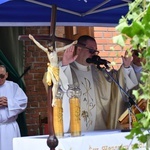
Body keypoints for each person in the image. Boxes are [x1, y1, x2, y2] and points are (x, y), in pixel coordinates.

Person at [59, 35, 139, 132]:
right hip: (74, 131)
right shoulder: (66, 69)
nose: (94, 55)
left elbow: (116, 85)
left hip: (97, 128)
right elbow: (57, 86)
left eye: (96, 51)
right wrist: (64, 64)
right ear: (79, 49)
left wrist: (126, 66)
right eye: (91, 51)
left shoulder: (99, 72)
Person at [28, 34, 76, 106]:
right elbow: (39, 45)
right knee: (55, 84)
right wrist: (33, 39)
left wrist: (72, 43)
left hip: (57, 68)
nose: (50, 48)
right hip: (51, 69)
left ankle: (55, 98)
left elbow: (64, 47)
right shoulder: (47, 52)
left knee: (60, 83)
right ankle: (54, 100)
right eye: (49, 47)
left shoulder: (55, 51)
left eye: (51, 46)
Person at [0, 65, 28, 150]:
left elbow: (23, 102)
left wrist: (9, 102)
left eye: (2, 76)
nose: (0, 79)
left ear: (7, 75)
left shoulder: (13, 87)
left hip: (9, 128)